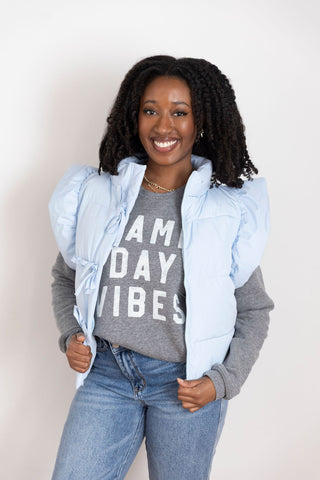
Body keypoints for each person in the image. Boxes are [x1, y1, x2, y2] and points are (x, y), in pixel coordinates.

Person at [49, 55, 274, 480]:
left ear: (201, 121)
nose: (163, 126)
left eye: (180, 113)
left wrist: (223, 380)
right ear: (133, 117)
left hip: (185, 386)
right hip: (108, 375)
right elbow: (66, 275)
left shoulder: (226, 211)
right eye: (150, 110)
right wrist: (70, 333)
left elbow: (254, 308)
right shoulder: (99, 195)